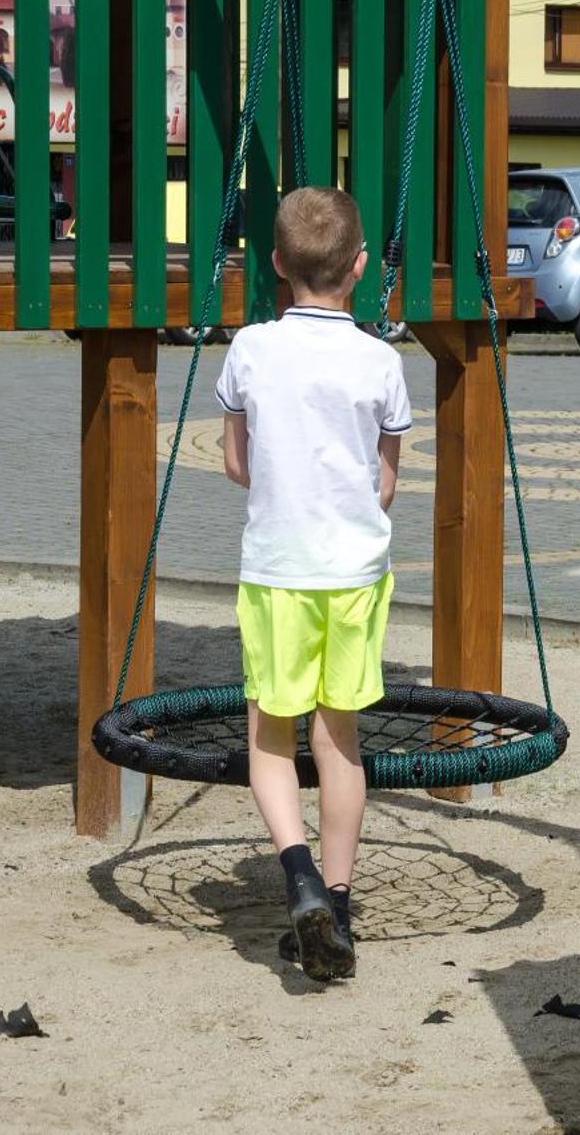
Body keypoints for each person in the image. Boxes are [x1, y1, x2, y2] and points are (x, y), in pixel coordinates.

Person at [214, 186, 411, 983]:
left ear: (275, 265)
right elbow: (385, 485)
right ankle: (338, 896)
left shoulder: (250, 348)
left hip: (278, 571)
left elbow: (236, 463)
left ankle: (297, 877)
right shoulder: (382, 360)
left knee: (270, 738)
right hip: (356, 575)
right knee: (340, 742)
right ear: (359, 267)